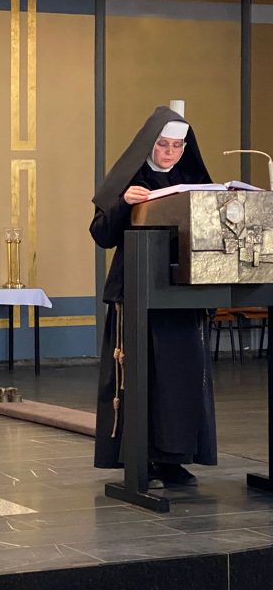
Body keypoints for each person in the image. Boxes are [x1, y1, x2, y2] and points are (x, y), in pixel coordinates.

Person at [90, 105, 217, 488]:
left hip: (183, 293)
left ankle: (174, 457)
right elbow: (102, 235)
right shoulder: (131, 179)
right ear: (149, 143)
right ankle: (140, 458)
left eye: (177, 147)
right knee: (141, 377)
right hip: (137, 291)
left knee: (181, 379)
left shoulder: (192, 179)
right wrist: (124, 203)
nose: (170, 153)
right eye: (163, 145)